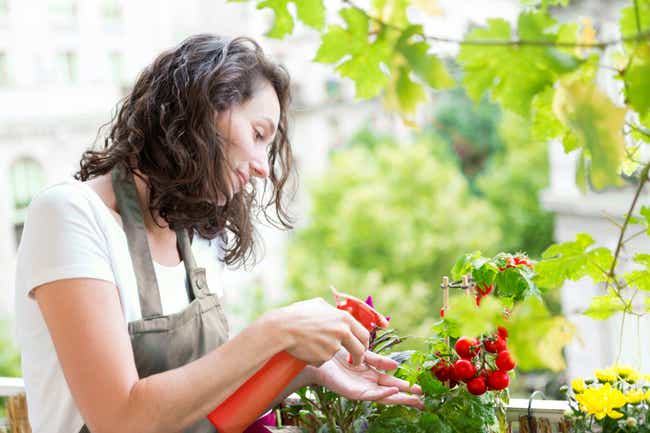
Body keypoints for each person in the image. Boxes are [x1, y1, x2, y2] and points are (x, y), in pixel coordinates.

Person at [14, 34, 422, 433]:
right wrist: (275, 332)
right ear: (203, 112)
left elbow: (209, 413)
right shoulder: (70, 215)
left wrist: (305, 365)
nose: (264, 166)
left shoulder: (193, 239)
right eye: (259, 134)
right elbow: (120, 419)